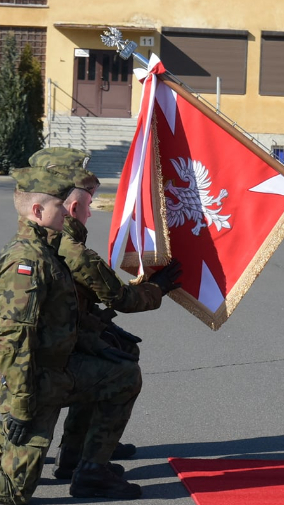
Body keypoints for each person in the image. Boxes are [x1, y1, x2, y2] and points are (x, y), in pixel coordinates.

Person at [0, 166, 181, 505]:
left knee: (122, 375)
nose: (69, 214)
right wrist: (20, 405)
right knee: (14, 485)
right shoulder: (27, 262)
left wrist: (96, 342)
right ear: (39, 211)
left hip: (50, 369)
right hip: (30, 378)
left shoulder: (46, 248)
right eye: (60, 206)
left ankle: (88, 470)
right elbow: (13, 340)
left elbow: (61, 318)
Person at [26, 148, 182, 478]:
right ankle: (88, 456)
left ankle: (80, 449)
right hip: (53, 357)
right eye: (89, 203)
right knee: (121, 370)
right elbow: (121, 298)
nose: (91, 212)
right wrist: (159, 287)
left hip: (61, 340)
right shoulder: (71, 248)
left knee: (119, 347)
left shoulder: (47, 236)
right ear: (71, 207)